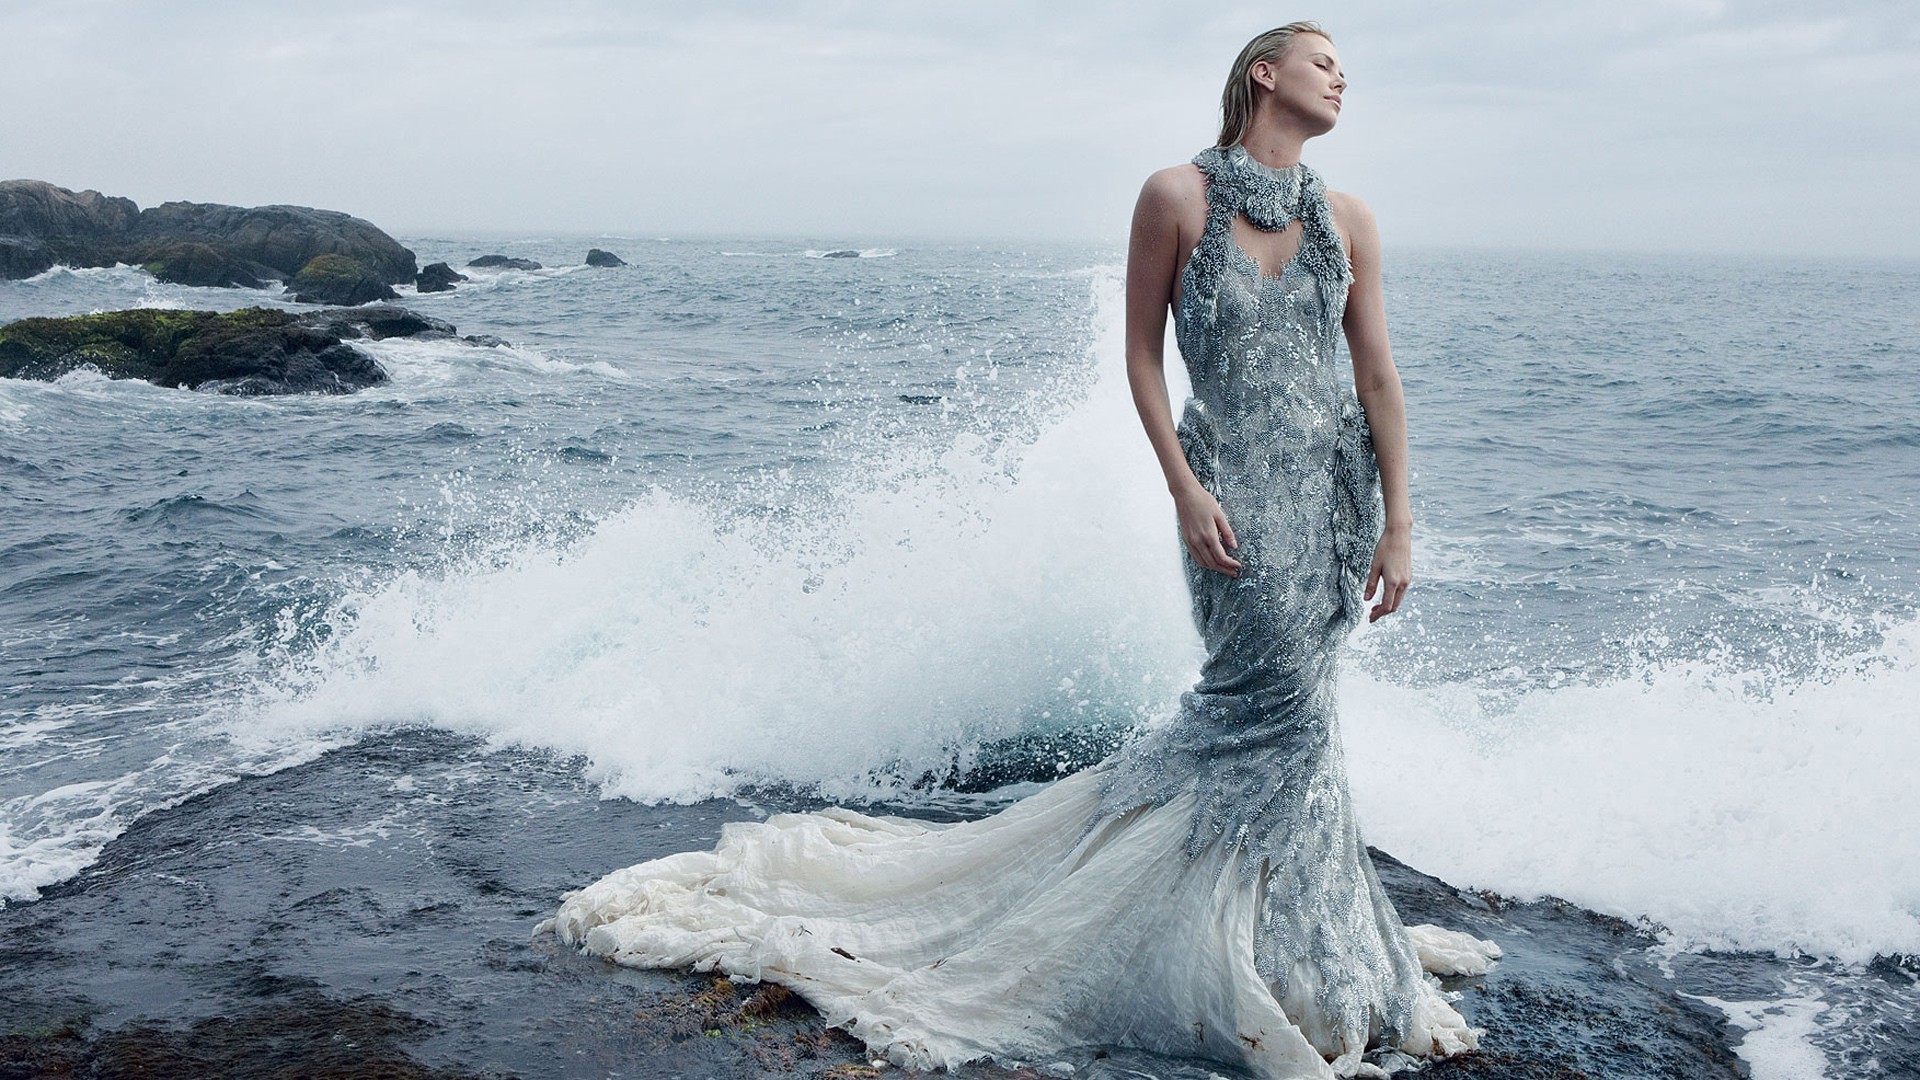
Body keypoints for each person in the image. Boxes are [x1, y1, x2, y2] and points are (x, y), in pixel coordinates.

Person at [541, 22, 1499, 1080]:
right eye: (1323, 60)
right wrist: (1183, 486)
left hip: (1330, 508)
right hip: (1228, 498)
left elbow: (1377, 380)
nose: (1341, 75)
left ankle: (1298, 944)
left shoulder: (1349, 219)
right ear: (1264, 74)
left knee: (1303, 728)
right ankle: (1207, 943)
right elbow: (1139, 354)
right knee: (1261, 716)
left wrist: (1400, 521)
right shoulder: (1177, 196)